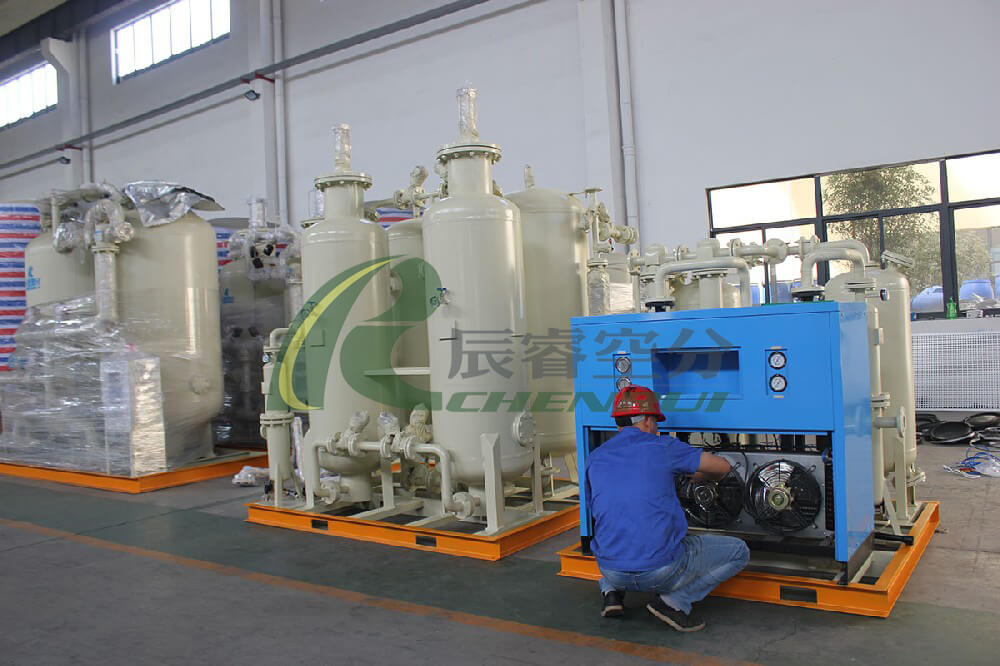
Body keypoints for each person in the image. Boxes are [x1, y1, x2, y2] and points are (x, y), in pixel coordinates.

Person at [585, 385, 749, 632]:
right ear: (648, 420)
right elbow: (723, 467)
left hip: (610, 569)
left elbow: (601, 509)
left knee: (617, 532)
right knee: (739, 551)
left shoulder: (594, 457)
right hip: (660, 572)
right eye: (656, 422)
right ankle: (674, 602)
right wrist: (697, 476)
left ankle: (611, 593)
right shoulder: (663, 447)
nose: (657, 428)